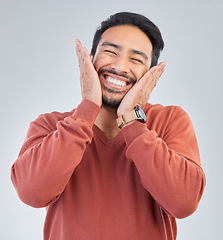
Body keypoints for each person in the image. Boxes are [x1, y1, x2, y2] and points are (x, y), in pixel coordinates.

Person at [11, 12, 206, 240]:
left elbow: (184, 203)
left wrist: (132, 120)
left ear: (150, 74)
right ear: (91, 59)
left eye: (136, 59)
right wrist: (87, 108)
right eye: (111, 52)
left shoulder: (170, 120)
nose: (119, 66)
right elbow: (31, 193)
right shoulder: (50, 126)